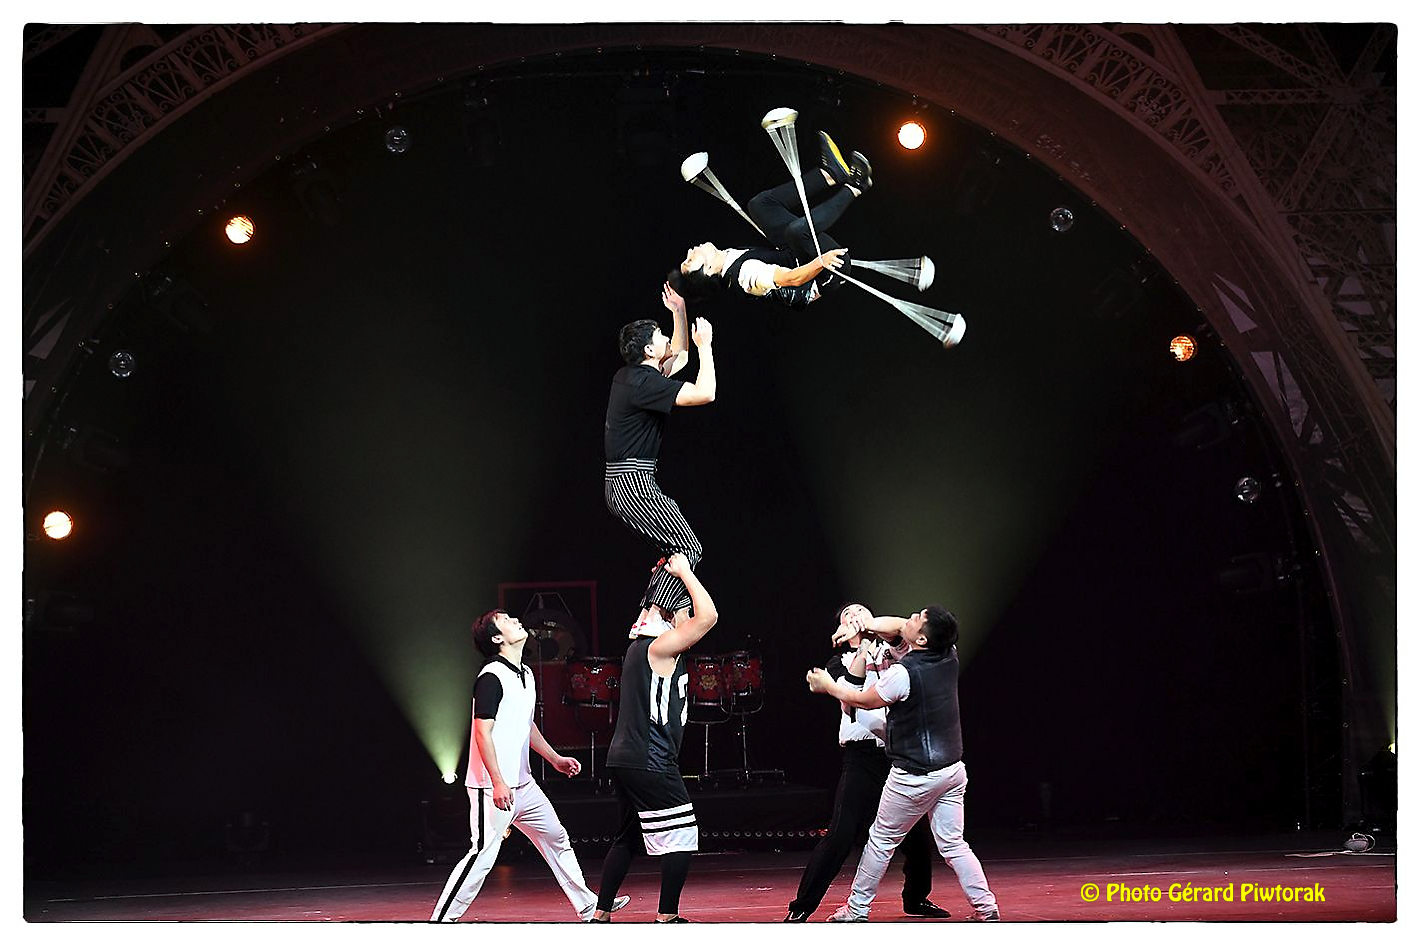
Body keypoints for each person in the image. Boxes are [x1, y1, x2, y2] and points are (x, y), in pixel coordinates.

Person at [430, 610, 629, 923]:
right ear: (497, 638)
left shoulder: (525, 673)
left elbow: (526, 725)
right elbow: (482, 732)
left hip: (523, 786)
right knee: (482, 854)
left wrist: (555, 759)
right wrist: (498, 781)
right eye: (505, 620)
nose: (515, 621)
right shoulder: (491, 677)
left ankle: (589, 907)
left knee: (556, 837)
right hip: (491, 788)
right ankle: (440, 922)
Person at [805, 605, 1000, 922]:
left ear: (921, 639)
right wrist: (867, 625)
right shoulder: (949, 655)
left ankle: (856, 909)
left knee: (881, 841)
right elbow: (897, 626)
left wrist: (828, 685)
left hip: (915, 773)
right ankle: (986, 907)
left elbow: (863, 700)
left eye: (916, 619)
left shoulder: (902, 673)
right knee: (953, 844)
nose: (908, 619)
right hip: (952, 770)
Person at [783, 604, 948, 922]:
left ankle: (916, 899)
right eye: (848, 613)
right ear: (841, 628)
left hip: (896, 754)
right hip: (861, 758)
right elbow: (850, 694)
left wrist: (870, 628)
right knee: (841, 833)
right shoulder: (838, 662)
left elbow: (900, 629)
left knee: (915, 834)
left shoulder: (894, 652)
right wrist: (863, 648)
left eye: (861, 610)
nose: (855, 614)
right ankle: (802, 905)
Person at [591, 553, 719, 923]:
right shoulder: (657, 646)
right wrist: (685, 573)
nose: (685, 618)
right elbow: (707, 618)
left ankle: (601, 913)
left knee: (628, 836)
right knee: (682, 834)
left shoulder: (638, 647)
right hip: (650, 758)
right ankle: (667, 916)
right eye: (679, 611)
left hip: (625, 758)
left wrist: (663, 582)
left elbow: (674, 615)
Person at [604, 286, 715, 629]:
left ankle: (651, 615)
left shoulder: (635, 377)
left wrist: (678, 311)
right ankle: (653, 615)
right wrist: (706, 347)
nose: (668, 339)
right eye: (661, 336)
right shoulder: (642, 383)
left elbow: (678, 356)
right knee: (688, 547)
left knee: (676, 549)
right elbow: (705, 393)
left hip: (629, 483)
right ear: (649, 350)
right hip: (632, 484)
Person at [669, 130, 871, 310]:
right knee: (796, 231)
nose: (690, 251)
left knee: (759, 205)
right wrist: (821, 262)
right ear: (708, 271)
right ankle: (856, 186)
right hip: (827, 271)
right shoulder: (745, 275)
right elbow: (791, 279)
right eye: (690, 260)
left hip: (795, 255)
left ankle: (831, 173)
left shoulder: (726, 259)